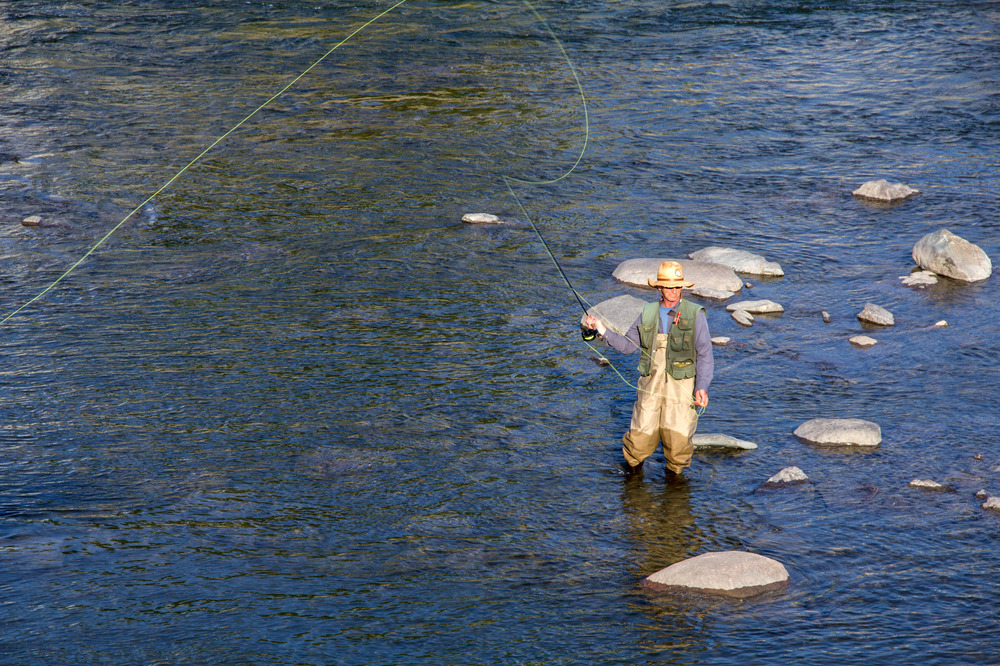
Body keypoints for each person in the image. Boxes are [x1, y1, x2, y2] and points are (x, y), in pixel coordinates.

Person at [584, 260, 713, 479]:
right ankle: (633, 484)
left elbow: (705, 354)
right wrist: (601, 329)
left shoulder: (695, 314)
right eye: (668, 286)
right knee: (639, 441)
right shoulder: (647, 313)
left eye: (677, 286)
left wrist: (701, 387)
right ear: (659, 288)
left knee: (678, 444)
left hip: (682, 390)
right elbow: (626, 346)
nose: (673, 291)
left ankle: (674, 487)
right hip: (650, 388)